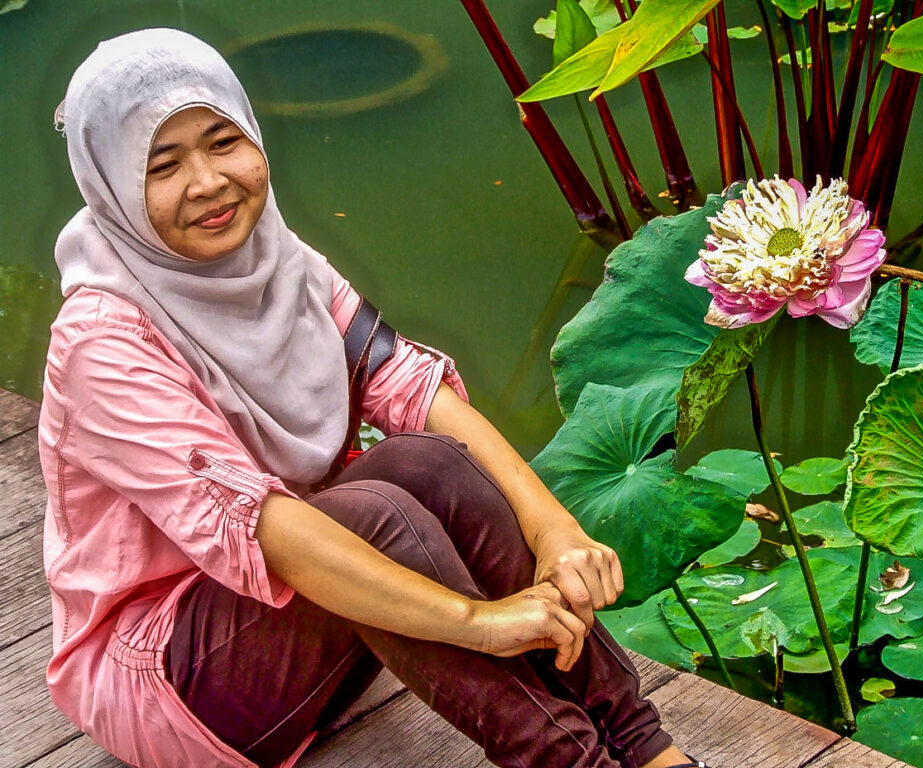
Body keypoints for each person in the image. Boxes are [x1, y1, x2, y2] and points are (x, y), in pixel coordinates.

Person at [38, 28, 707, 768]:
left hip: (303, 611)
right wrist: (475, 622)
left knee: (431, 462)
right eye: (163, 165)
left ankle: (649, 750)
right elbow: (268, 530)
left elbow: (412, 388)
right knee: (371, 517)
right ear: (111, 185)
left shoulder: (278, 260)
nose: (208, 182)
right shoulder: (102, 340)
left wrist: (554, 530)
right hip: (168, 677)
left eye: (222, 141)